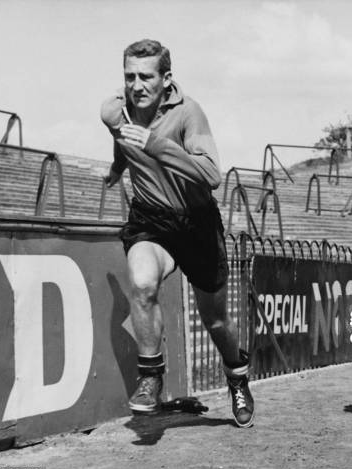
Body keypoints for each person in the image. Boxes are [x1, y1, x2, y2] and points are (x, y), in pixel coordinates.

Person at [100, 39, 254, 427]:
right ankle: (151, 376)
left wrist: (157, 145)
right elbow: (123, 142)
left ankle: (237, 375)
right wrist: (118, 168)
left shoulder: (189, 114)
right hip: (151, 219)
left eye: (146, 76)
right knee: (142, 282)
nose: (137, 85)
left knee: (216, 321)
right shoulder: (114, 111)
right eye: (129, 76)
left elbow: (212, 175)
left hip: (197, 223)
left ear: (166, 79)